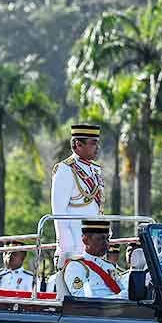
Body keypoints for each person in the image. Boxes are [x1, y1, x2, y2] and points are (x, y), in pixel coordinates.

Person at [51, 123, 104, 264]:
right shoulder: (65, 169)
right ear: (78, 144)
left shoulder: (96, 169)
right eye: (93, 143)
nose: (97, 147)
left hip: (96, 245)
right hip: (75, 245)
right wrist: (67, 247)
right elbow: (59, 213)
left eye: (97, 143)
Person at [63, 221, 122, 298]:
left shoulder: (109, 266)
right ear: (86, 240)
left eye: (107, 239)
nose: (106, 243)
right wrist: (116, 298)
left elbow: (121, 289)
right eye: (100, 239)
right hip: (94, 309)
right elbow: (82, 298)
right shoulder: (76, 266)